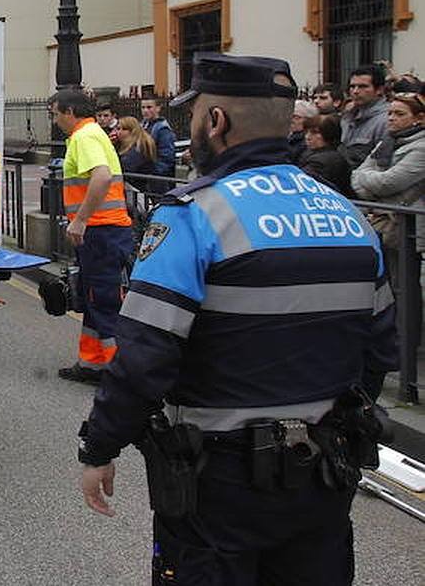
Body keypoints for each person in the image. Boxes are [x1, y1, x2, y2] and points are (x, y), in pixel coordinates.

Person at [77, 52, 396, 585]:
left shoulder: (194, 215)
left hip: (219, 484)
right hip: (324, 474)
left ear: (216, 121)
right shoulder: (347, 215)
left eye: (196, 113)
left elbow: (143, 359)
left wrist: (100, 446)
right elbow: (380, 350)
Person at [51, 89, 134, 384]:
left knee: (103, 301)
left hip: (101, 231)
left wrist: (81, 220)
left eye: (56, 113)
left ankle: (120, 375)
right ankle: (91, 364)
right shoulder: (91, 134)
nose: (55, 119)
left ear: (70, 112)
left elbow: (101, 176)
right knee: (92, 298)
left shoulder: (85, 137)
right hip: (105, 231)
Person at [350, 92, 425, 300]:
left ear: (419, 117)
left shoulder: (421, 147)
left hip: (406, 227)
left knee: (406, 287)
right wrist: (370, 184)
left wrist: (368, 183)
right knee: (387, 284)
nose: (391, 118)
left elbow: (388, 183)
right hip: (382, 221)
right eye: (390, 113)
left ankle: (408, 331)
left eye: (399, 114)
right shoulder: (386, 142)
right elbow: (356, 175)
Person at [341, 65, 390, 167]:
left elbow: (382, 164)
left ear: (379, 90)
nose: (355, 91)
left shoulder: (386, 120)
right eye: (352, 86)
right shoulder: (347, 116)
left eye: (363, 86)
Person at [300, 114, 353, 197]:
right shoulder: (314, 154)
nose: (307, 137)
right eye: (306, 132)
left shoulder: (321, 162)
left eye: (315, 133)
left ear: (329, 134)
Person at [140, 97, 176, 181]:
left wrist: (153, 173)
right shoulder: (142, 125)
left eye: (149, 107)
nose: (145, 110)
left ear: (158, 108)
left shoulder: (162, 128)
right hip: (146, 175)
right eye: (143, 107)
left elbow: (167, 157)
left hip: (158, 177)